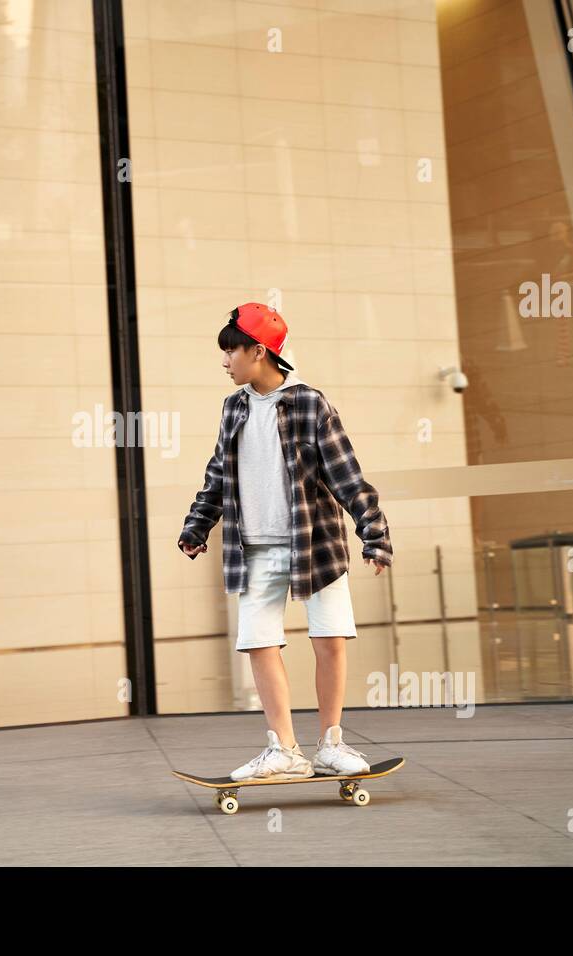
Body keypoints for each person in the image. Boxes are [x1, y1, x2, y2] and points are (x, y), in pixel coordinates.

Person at [177, 303, 393, 782]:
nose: (224, 360)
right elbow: (218, 474)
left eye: (230, 349)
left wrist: (374, 535)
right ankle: (284, 749)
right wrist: (197, 526)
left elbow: (346, 476)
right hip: (252, 549)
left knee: (330, 640)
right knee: (260, 644)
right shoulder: (232, 408)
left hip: (314, 545)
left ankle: (331, 744)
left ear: (259, 350)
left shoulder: (310, 404)